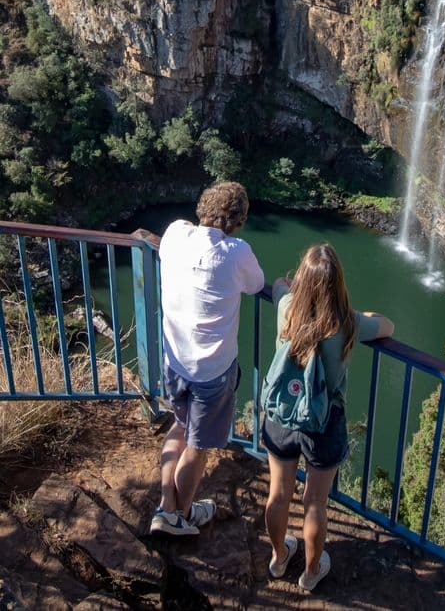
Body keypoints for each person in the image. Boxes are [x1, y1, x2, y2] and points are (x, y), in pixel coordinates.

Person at [262, 242, 394, 591]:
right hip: (323, 421)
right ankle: (310, 571)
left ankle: (277, 559)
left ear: (302, 280)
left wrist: (290, 286)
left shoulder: (287, 306)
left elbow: (277, 284)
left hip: (283, 415)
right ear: (338, 284)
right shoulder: (348, 324)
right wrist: (364, 314)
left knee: (278, 494)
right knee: (315, 502)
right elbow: (388, 327)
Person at [150, 181, 264, 536]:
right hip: (212, 372)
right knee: (197, 447)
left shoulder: (173, 233)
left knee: (179, 426)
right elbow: (257, 284)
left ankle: (166, 504)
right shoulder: (236, 252)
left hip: (175, 360)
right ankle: (178, 516)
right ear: (238, 220)